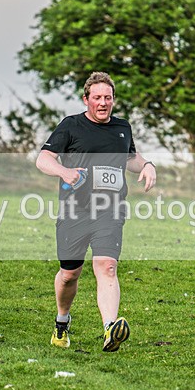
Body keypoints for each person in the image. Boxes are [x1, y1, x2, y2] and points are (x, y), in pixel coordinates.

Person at [35, 72, 156, 352]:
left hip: (109, 211)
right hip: (74, 212)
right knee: (69, 274)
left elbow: (131, 158)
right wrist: (64, 172)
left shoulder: (122, 128)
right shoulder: (71, 126)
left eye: (108, 98)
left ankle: (110, 329)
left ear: (113, 100)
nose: (103, 103)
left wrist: (147, 165)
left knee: (107, 266)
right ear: (86, 99)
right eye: (98, 98)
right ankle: (62, 321)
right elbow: (43, 159)